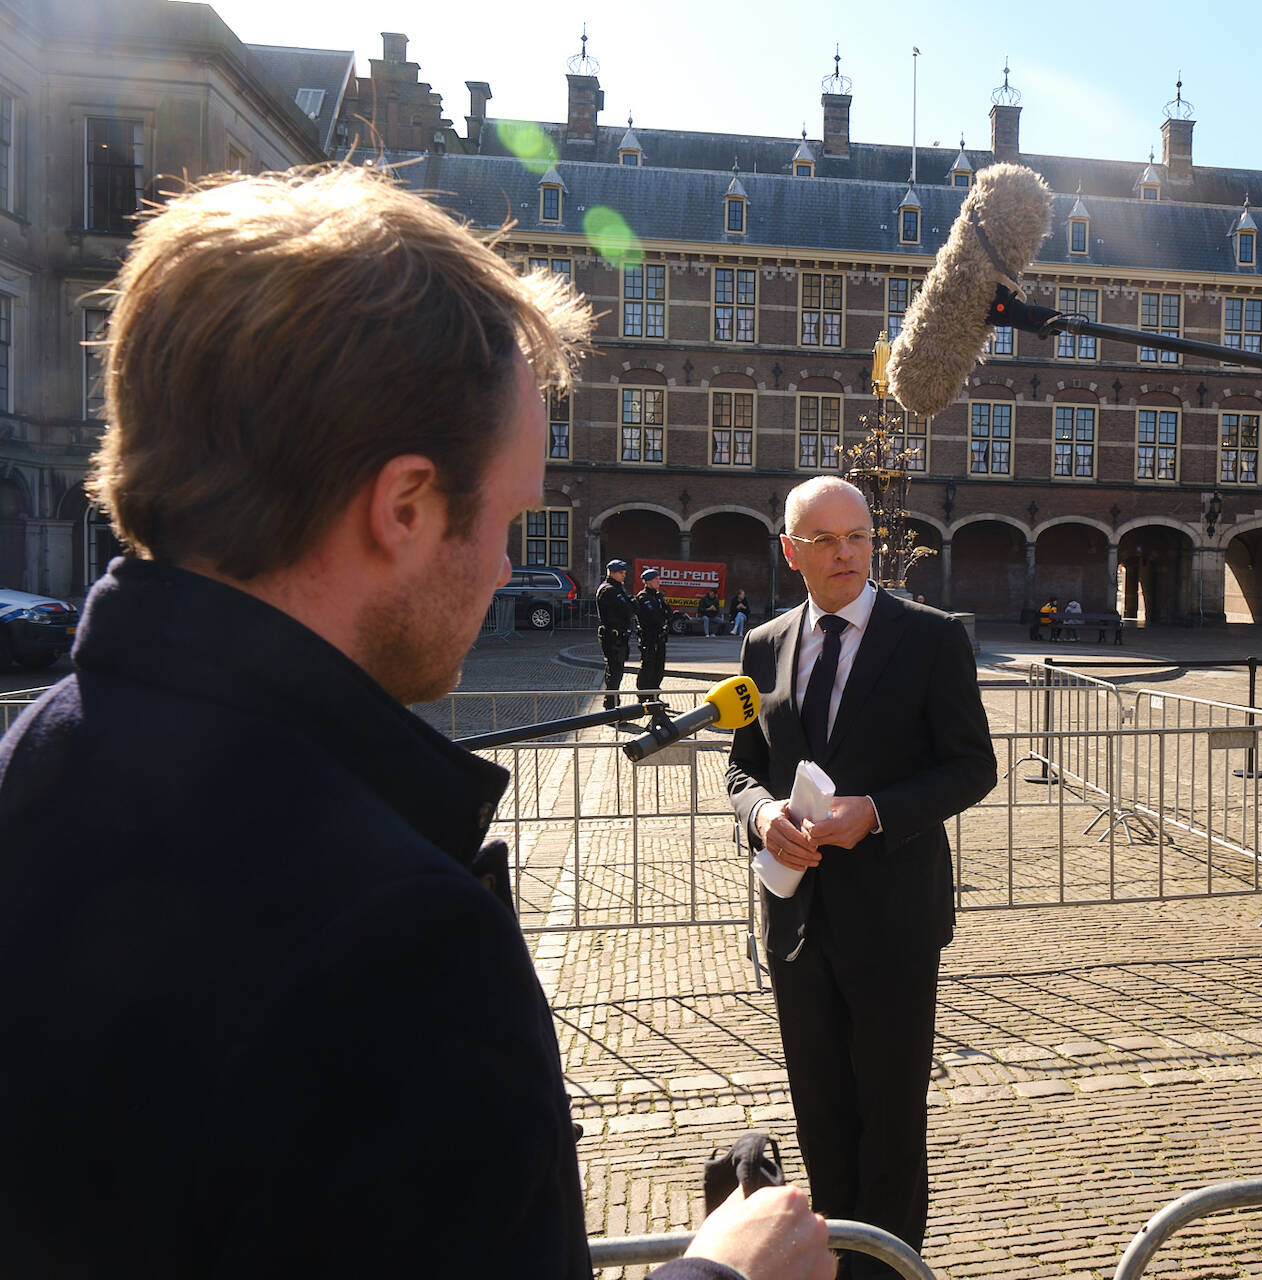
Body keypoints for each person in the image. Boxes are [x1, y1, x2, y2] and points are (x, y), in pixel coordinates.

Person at [0, 166, 831, 1280]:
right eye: (505, 517)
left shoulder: (29, 770)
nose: (504, 564)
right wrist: (724, 1273)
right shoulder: (400, 947)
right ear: (402, 506)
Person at [726, 476, 996, 1279]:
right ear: (790, 552)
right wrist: (759, 815)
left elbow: (972, 768)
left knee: (889, 1120)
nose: (846, 554)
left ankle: (889, 1269)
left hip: (892, 921)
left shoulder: (931, 638)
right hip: (797, 923)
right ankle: (835, 1260)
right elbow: (743, 769)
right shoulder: (763, 646)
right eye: (825, 541)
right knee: (820, 1115)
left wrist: (874, 810)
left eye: (859, 538)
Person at [598, 559, 634, 710]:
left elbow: (631, 608)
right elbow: (629, 609)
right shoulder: (610, 590)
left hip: (618, 637)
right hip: (613, 637)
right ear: (612, 573)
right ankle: (611, 707)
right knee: (614, 674)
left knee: (616, 672)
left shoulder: (617, 588)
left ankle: (612, 705)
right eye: (621, 573)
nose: (624, 575)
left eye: (625, 573)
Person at [633, 565, 671, 692]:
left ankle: (655, 692)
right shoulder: (643, 597)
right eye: (656, 580)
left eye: (658, 579)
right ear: (648, 582)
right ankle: (643, 693)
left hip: (660, 637)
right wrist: (662, 613)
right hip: (649, 637)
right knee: (648, 666)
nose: (658, 582)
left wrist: (663, 613)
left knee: (659, 667)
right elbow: (655, 617)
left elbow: (668, 613)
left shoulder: (658, 596)